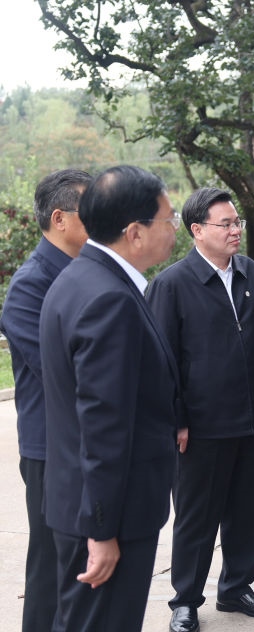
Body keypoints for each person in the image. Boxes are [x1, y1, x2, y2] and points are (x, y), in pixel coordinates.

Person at [38, 165, 180, 632]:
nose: (175, 229)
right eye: (169, 219)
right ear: (135, 233)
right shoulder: (109, 298)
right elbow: (103, 426)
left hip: (84, 508)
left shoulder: (81, 278)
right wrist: (102, 531)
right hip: (105, 518)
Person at [146, 188, 254, 632]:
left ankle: (236, 587)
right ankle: (185, 599)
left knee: (246, 508)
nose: (235, 231)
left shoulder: (251, 275)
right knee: (196, 515)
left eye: (236, 223)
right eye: (225, 224)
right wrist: (178, 420)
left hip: (251, 417)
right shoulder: (171, 285)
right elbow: (161, 362)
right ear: (197, 230)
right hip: (202, 426)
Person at [0, 169, 92, 632]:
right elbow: (65, 372)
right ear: (59, 218)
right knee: (52, 567)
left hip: (92, 442)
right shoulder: (30, 287)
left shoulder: (90, 272)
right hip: (52, 448)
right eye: (88, 208)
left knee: (85, 564)